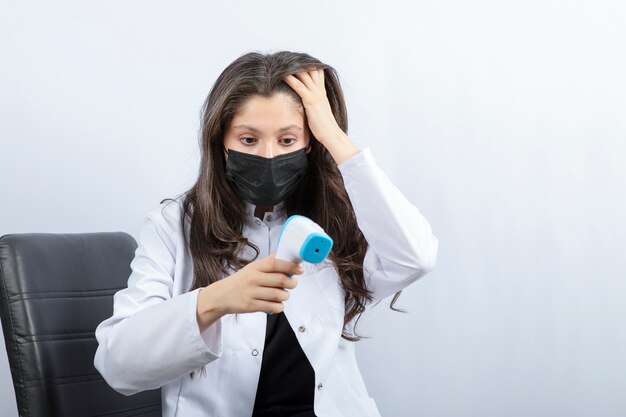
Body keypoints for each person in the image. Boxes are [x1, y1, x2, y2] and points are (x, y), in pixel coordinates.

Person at [93, 50, 439, 417]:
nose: (269, 156)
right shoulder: (175, 224)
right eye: (248, 140)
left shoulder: (336, 220)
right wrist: (216, 300)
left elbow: (414, 256)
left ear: (311, 145)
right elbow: (118, 365)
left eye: (288, 141)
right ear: (220, 144)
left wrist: (334, 136)